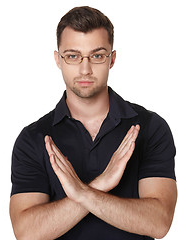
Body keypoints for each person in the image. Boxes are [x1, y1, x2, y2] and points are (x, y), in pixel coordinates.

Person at [10, 6, 177, 240]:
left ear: (112, 59)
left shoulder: (150, 128)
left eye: (97, 55)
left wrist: (83, 192)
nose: (85, 69)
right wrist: (101, 184)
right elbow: (27, 233)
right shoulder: (34, 138)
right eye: (73, 56)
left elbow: (159, 223)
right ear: (58, 59)